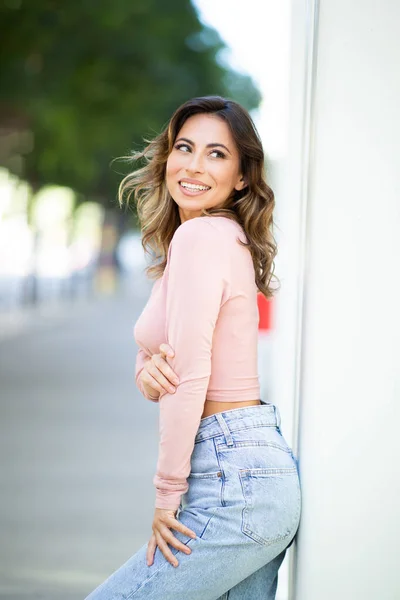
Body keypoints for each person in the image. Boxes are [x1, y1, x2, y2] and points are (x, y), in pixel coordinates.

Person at [85, 96, 301, 600]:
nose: (195, 165)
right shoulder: (215, 237)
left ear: (244, 175)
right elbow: (168, 352)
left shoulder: (201, 237)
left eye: (216, 154)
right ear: (168, 156)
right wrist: (146, 367)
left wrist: (167, 494)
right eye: (185, 147)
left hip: (232, 478)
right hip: (251, 472)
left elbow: (192, 375)